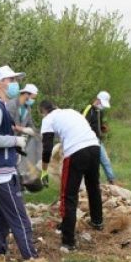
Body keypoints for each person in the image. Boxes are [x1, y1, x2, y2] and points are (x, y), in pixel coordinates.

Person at [0, 65, 65, 262]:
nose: (15, 82)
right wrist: (14, 141)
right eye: (11, 79)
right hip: (0, 174)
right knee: (20, 220)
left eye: (16, 79)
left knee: (0, 221)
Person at [40, 101, 103, 250]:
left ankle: (68, 241)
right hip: (94, 147)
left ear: (43, 111)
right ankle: (97, 222)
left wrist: (44, 171)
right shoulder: (72, 111)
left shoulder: (48, 119)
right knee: (93, 187)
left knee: (68, 195)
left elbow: (47, 148)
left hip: (76, 152)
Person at [83, 91, 117, 184]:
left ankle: (112, 180)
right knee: (93, 163)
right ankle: (93, 183)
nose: (103, 106)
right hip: (88, 141)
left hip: (97, 140)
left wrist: (102, 128)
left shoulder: (100, 112)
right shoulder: (88, 109)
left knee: (105, 161)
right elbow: (82, 124)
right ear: (98, 100)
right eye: (102, 103)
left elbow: (98, 124)